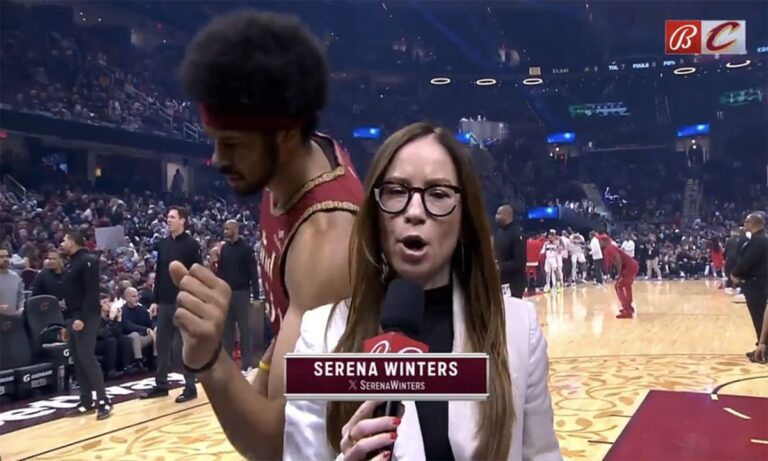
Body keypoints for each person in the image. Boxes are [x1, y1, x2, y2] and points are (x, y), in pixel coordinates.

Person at [281, 122, 561, 460]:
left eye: (438, 194)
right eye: (396, 191)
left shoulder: (519, 328)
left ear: (464, 219)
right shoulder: (319, 337)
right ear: (375, 214)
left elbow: (542, 455)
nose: (414, 212)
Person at [169, 10, 364, 459]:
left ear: (287, 134)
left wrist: (209, 357)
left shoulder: (327, 245)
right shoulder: (293, 162)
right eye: (215, 140)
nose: (217, 159)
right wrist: (264, 367)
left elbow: (278, 442)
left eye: (232, 144)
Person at [140, 207, 201, 403]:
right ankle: (161, 385)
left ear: (182, 220)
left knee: (183, 346)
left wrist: (193, 299)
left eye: (172, 217)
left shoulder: (192, 244)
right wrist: (155, 300)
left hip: (183, 301)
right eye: (167, 217)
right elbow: (159, 273)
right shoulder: (163, 244)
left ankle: (190, 386)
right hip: (165, 301)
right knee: (162, 344)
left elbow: (198, 273)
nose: (168, 220)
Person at [60, 231, 112, 419]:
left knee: (87, 357)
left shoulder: (88, 260)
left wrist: (81, 317)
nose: (61, 243)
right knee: (78, 358)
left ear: (73, 241)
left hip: (86, 315)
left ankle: (104, 400)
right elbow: (69, 296)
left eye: (64, 240)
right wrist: (66, 323)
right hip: (72, 316)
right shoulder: (70, 263)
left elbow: (91, 293)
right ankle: (86, 400)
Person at [219, 220, 260, 373]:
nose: (225, 231)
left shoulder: (246, 249)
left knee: (244, 330)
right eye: (224, 229)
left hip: (242, 293)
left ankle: (247, 364)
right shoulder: (224, 249)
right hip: (226, 293)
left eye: (228, 229)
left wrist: (256, 295)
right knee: (227, 331)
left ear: (236, 230)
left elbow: (253, 274)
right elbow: (221, 272)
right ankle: (228, 365)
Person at [730, 212, 768, 363]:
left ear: (753, 223)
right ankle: (761, 347)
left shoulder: (757, 241)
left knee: (760, 318)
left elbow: (748, 262)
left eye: (747, 222)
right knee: (761, 318)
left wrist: (735, 273)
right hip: (761, 283)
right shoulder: (762, 239)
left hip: (757, 285)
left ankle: (763, 351)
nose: (744, 224)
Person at [600, 235, 639, 319]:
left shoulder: (609, 248)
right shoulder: (610, 247)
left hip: (629, 267)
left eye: (600, 241)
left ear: (605, 241)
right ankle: (629, 306)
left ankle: (627, 310)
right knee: (627, 286)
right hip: (632, 265)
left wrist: (619, 273)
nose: (599, 243)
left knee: (618, 286)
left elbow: (618, 259)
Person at [494, 205, 527, 298]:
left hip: (515, 282)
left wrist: (500, 266)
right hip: (502, 279)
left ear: (507, 215)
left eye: (499, 214)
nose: (496, 216)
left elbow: (520, 262)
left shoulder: (517, 233)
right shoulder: (499, 232)